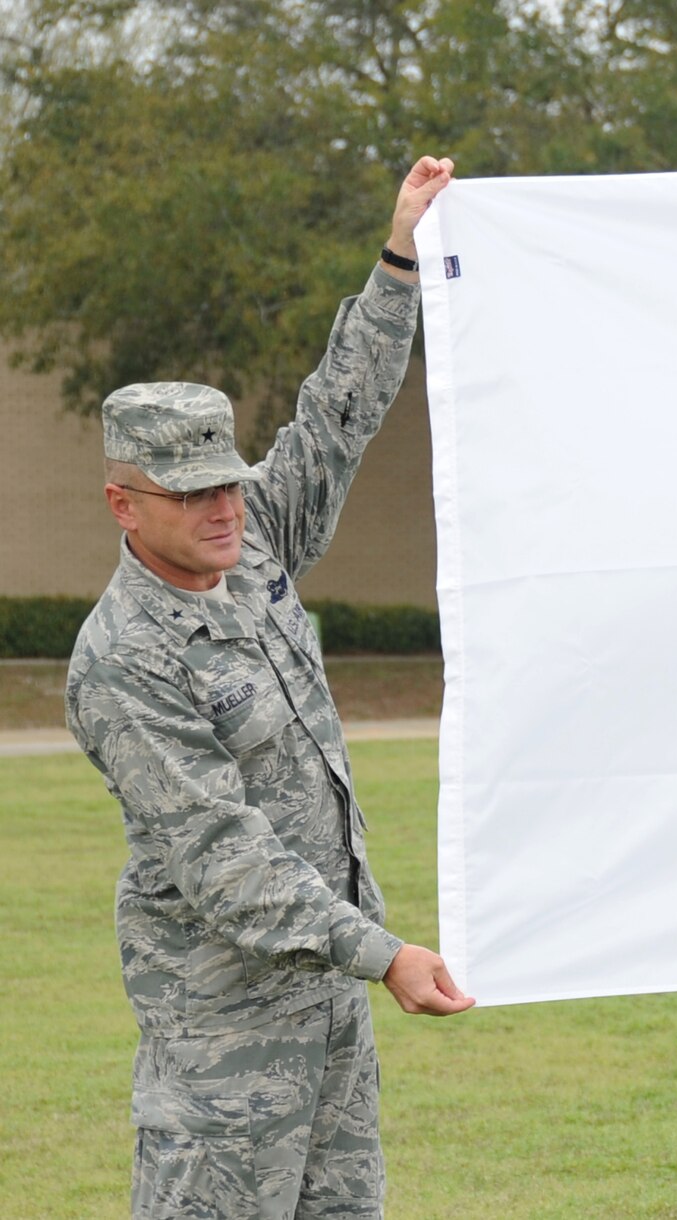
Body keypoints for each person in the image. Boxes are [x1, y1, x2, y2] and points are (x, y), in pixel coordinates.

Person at [65, 156, 474, 1219]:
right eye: (190, 491)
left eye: (229, 481)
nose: (222, 506)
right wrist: (382, 950)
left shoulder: (252, 545)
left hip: (328, 1015)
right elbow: (224, 856)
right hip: (225, 1049)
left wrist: (398, 257)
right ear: (124, 502)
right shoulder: (124, 658)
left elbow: (335, 414)